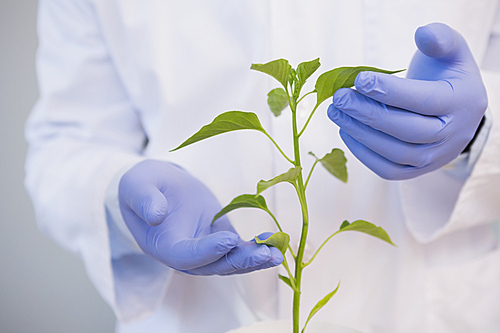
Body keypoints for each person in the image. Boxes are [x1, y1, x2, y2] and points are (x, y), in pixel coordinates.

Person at [25, 0, 500, 332]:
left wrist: (477, 133)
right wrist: (115, 191)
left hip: (421, 309)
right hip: (202, 317)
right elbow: (66, 140)